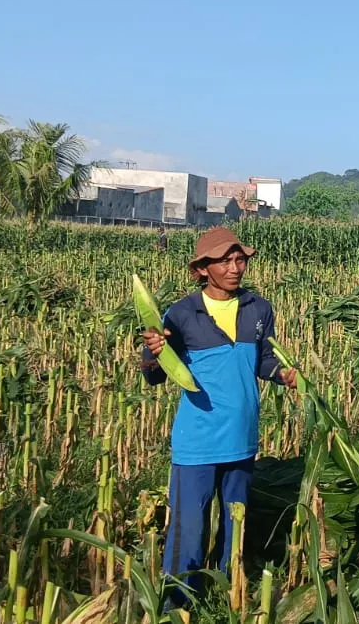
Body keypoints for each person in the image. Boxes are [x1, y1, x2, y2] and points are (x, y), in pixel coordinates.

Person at [140, 226, 298, 604]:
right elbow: (155, 375)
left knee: (235, 527)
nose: (234, 267)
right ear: (202, 269)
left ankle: (229, 596)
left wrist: (283, 374)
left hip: (241, 440)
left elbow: (263, 361)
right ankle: (178, 603)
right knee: (188, 529)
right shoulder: (180, 314)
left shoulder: (258, 309)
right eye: (224, 260)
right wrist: (153, 352)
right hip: (197, 441)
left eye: (239, 259)